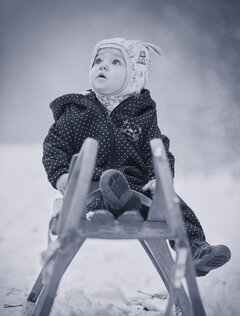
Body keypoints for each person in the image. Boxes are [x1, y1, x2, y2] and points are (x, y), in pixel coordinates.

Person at [42, 37, 231, 276]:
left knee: (172, 204)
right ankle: (117, 204)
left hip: (137, 190)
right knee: (106, 185)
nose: (102, 66)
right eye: (98, 61)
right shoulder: (77, 111)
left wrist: (159, 178)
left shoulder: (142, 113)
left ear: (134, 75)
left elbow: (157, 149)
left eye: (115, 62)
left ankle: (195, 250)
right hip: (88, 188)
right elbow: (55, 144)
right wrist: (61, 174)